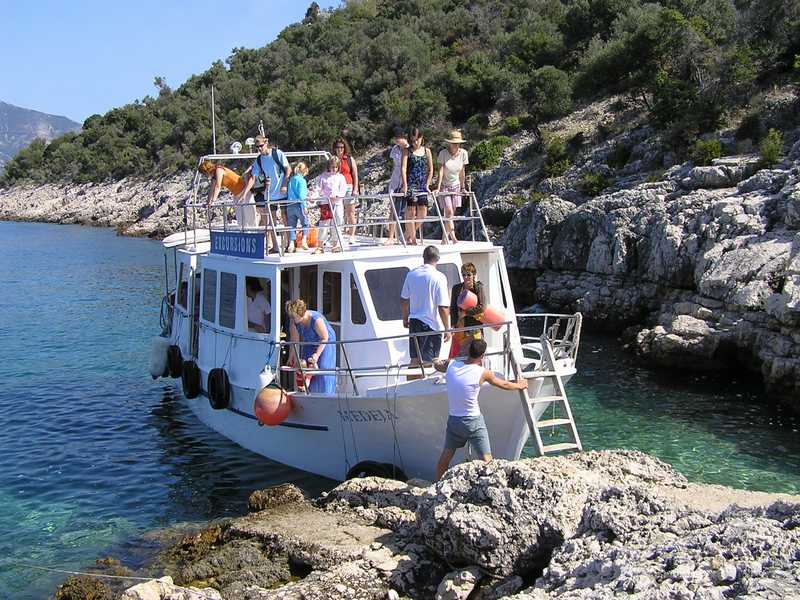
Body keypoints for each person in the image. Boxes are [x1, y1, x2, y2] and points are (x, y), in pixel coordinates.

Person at [433, 338, 527, 480]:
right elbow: (504, 385)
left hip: (454, 421)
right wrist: (520, 385)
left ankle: (438, 484)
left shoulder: (451, 365)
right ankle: (492, 485)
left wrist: (435, 360)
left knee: (445, 457)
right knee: (487, 460)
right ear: (482, 355)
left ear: (468, 351)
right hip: (473, 421)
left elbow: (438, 365)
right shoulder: (483, 372)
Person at [400, 245, 451, 378]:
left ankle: (410, 386)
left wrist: (405, 318)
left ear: (423, 258)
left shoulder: (412, 274)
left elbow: (404, 299)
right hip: (431, 324)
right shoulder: (439, 277)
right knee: (430, 362)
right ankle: (423, 386)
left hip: (415, 321)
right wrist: (447, 329)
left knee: (414, 360)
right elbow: (443, 307)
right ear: (437, 259)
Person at [240, 134, 292, 252]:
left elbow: (288, 168)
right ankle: (275, 246)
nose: (259, 149)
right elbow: (253, 178)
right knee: (271, 221)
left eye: (261, 146)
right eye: (257, 147)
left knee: (285, 217)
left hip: (282, 192)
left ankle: (289, 244)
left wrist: (284, 183)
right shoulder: (259, 160)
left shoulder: (277, 153)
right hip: (270, 194)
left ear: (266, 143)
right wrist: (244, 193)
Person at [286, 298, 337, 394]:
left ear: (300, 314)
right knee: (304, 367)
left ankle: (326, 394)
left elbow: (324, 338)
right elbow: (294, 340)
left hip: (325, 341)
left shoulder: (316, 320)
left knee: (323, 367)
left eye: (293, 316)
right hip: (309, 341)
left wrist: (316, 355)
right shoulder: (294, 321)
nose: (291, 318)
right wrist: (292, 356)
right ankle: (307, 392)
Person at [198, 161, 257, 228]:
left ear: (207, 170)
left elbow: (218, 186)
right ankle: (243, 232)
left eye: (204, 173)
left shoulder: (219, 169)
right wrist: (208, 203)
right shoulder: (214, 177)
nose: (204, 175)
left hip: (244, 192)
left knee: (250, 217)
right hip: (236, 195)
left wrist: (213, 201)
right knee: (240, 220)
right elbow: (211, 190)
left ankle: (255, 232)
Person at [435, 130, 469, 244]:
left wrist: (463, 187)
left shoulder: (463, 153)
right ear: (449, 143)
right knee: (448, 211)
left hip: (456, 185)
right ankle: (453, 238)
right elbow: (440, 172)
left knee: (450, 215)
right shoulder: (443, 153)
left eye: (458, 143)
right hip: (444, 186)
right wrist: (437, 187)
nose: (456, 145)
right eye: (454, 143)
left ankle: (445, 237)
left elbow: (462, 172)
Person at [401, 127, 434, 246]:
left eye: (417, 139)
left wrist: (427, 184)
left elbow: (431, 169)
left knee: (423, 212)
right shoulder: (407, 151)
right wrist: (405, 185)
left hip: (422, 185)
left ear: (421, 138)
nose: (415, 142)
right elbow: (403, 168)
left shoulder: (427, 151)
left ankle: (408, 234)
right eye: (413, 140)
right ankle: (413, 239)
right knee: (411, 212)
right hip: (411, 184)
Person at [449, 262, 486, 358]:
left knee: (475, 355)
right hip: (460, 327)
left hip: (475, 327)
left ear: (474, 275)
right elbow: (453, 308)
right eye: (463, 275)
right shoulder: (456, 288)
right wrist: (453, 325)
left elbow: (482, 307)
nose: (466, 277)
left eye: (468, 275)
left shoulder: (478, 287)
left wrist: (466, 312)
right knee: (459, 356)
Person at [315, 156, 348, 253]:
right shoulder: (323, 177)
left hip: (337, 203)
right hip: (326, 203)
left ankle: (335, 244)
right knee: (324, 224)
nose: (334, 169)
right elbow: (318, 189)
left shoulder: (340, 177)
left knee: (337, 222)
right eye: (332, 166)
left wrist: (337, 195)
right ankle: (320, 246)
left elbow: (343, 189)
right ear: (328, 166)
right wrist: (314, 196)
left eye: (336, 167)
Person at [385, 127, 409, 245]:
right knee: (393, 208)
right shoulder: (395, 149)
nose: (397, 140)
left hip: (407, 178)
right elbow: (394, 165)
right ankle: (391, 236)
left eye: (398, 138)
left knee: (408, 209)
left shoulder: (409, 149)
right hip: (395, 179)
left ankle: (408, 235)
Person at [332, 138, 359, 238]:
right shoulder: (332, 160)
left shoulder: (349, 159)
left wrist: (355, 189)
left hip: (348, 186)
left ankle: (352, 235)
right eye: (337, 147)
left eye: (342, 147)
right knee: (336, 212)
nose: (340, 149)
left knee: (350, 212)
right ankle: (336, 235)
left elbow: (355, 174)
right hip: (336, 188)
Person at [285, 162, 310, 253]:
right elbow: (301, 195)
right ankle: (304, 240)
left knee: (292, 225)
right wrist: (305, 206)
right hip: (299, 204)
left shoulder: (291, 179)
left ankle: (291, 244)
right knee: (305, 223)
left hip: (290, 204)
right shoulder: (302, 181)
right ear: (304, 171)